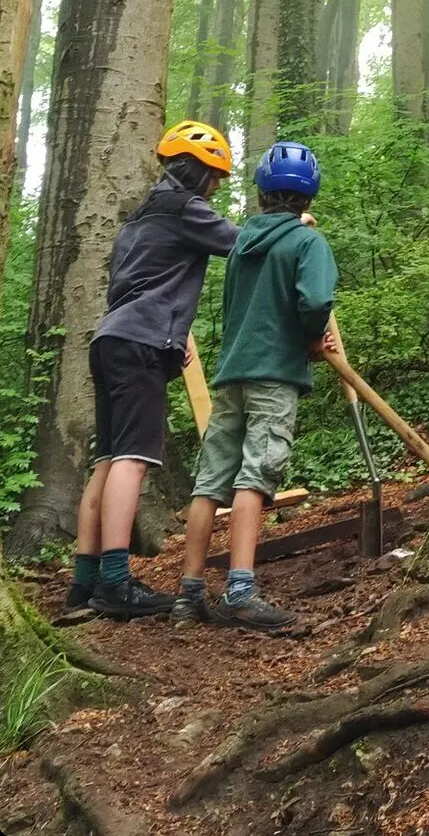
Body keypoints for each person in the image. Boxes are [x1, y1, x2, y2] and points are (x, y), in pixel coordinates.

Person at [67, 122, 238, 620]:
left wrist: (174, 330)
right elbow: (245, 245)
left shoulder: (137, 218)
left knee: (108, 458)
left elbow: (138, 283)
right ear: (198, 171)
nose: (218, 186)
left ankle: (84, 582)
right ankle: (116, 584)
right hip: (140, 343)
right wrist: (296, 226)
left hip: (111, 339)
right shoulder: (187, 209)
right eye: (216, 176)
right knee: (133, 459)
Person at [171, 141, 337, 631]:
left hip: (231, 376)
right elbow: (315, 300)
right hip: (273, 376)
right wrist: (310, 338)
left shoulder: (241, 244)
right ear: (308, 196)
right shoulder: (309, 243)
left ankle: (189, 594)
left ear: (263, 191)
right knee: (256, 475)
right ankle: (241, 591)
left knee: (211, 481)